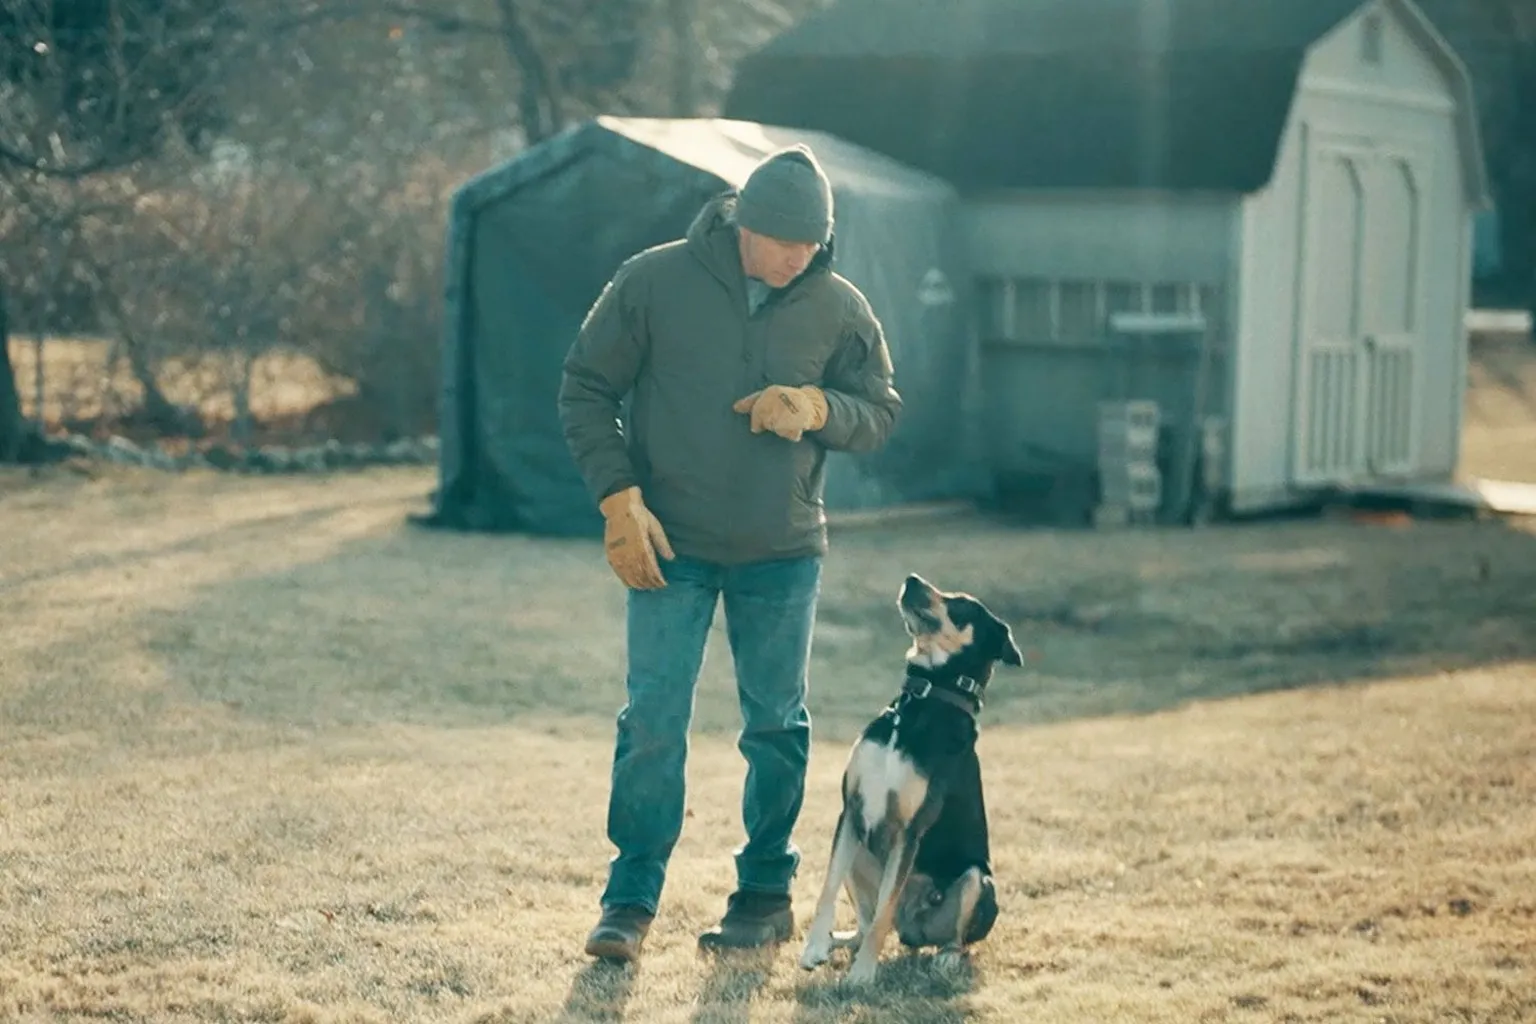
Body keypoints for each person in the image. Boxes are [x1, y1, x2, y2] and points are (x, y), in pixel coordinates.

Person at [557, 142, 903, 961]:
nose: (800, 257)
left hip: (782, 550)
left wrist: (818, 406)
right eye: (785, 241)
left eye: (813, 244)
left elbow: (880, 410)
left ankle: (763, 895)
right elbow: (585, 386)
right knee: (651, 723)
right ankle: (629, 902)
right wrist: (617, 496)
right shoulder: (652, 282)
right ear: (743, 222)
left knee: (776, 726)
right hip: (667, 544)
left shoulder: (840, 306)